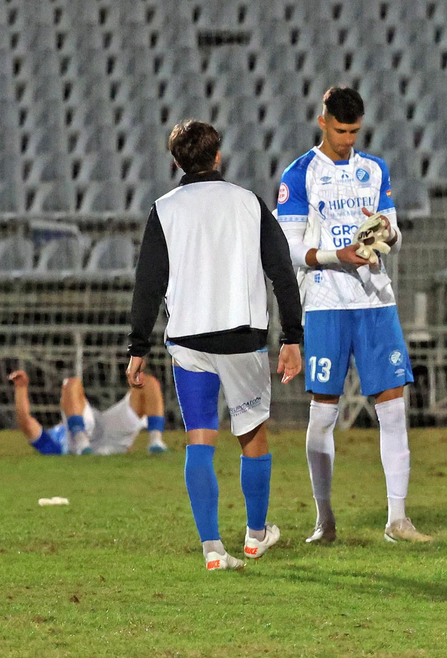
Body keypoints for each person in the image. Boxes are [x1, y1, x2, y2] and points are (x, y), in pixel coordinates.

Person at [128, 120, 305, 572]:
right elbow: (281, 272)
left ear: (176, 163)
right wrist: (292, 338)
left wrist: (137, 345)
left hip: (188, 338)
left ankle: (211, 547)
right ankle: (254, 535)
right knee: (252, 436)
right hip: (241, 336)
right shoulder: (248, 203)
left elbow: (148, 284)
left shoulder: (163, 210)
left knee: (199, 439)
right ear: (218, 157)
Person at [275, 87, 429, 546]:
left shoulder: (374, 169)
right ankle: (324, 519)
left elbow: (392, 229)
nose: (347, 139)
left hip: (376, 302)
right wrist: (333, 255)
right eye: (340, 130)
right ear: (323, 122)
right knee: (323, 413)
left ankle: (397, 519)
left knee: (393, 407)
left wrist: (383, 232)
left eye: (354, 131)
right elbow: (289, 250)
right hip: (325, 303)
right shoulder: (299, 174)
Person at [8, 368, 168, 456]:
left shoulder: (54, 435)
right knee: (71, 383)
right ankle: (81, 442)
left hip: (102, 431)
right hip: (79, 443)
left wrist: (21, 388)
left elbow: (26, 423)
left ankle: (155, 442)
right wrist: (21, 388)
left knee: (147, 382)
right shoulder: (53, 443)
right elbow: (25, 422)